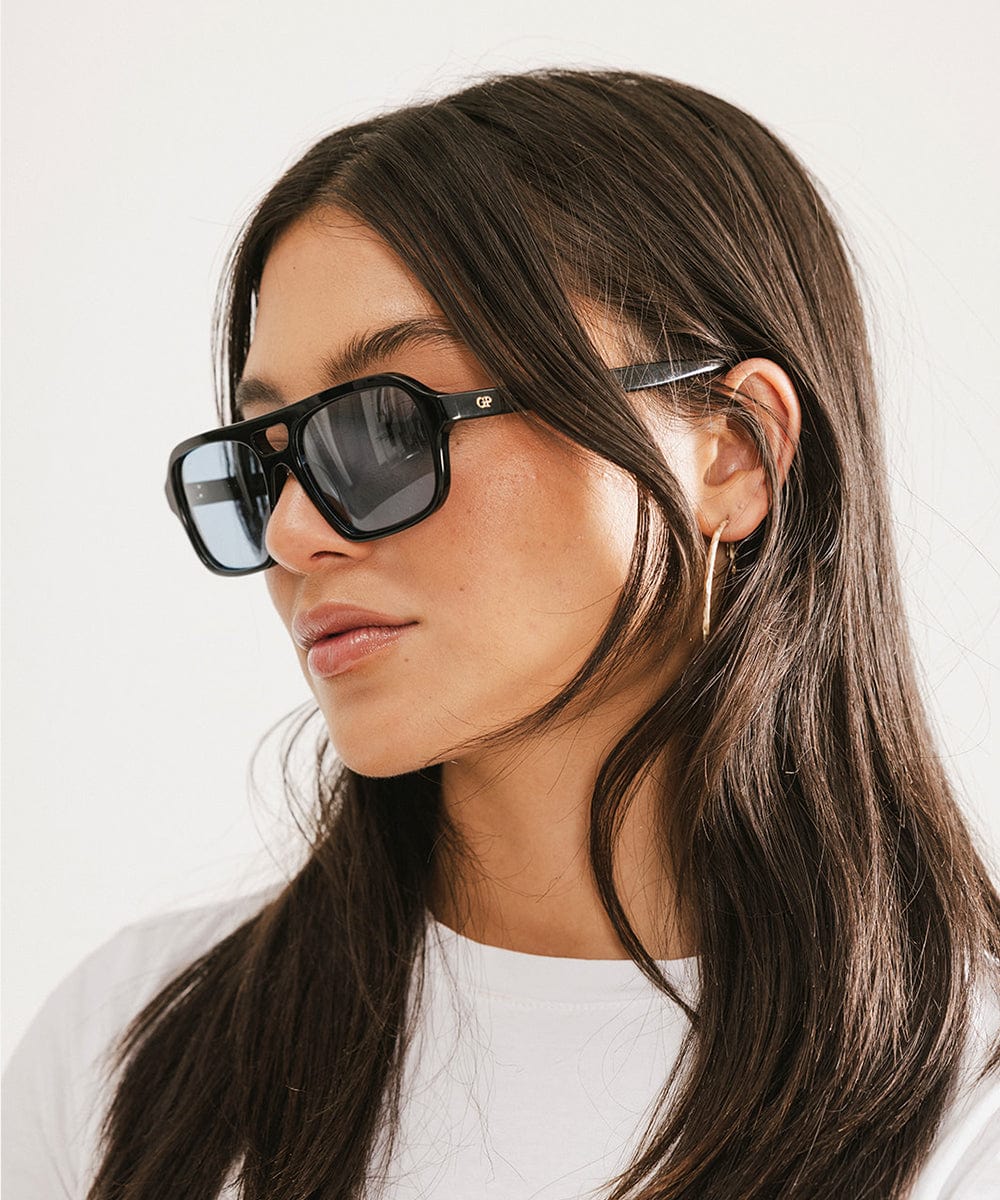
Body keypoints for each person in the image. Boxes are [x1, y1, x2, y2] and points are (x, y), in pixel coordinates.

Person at [3, 67, 998, 1200]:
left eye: (385, 427)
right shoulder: (127, 1051)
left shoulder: (966, 1117)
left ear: (731, 450)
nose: (291, 533)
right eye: (266, 460)